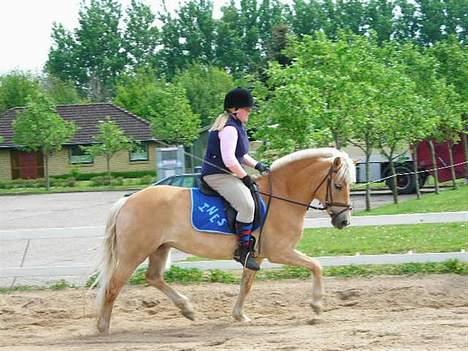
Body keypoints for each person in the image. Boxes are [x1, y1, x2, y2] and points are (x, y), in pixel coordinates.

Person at [201, 87, 269, 271]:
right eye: (248, 109)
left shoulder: (236, 126)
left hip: (227, 173)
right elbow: (230, 159)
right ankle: (243, 250)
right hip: (218, 175)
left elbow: (241, 155)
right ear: (235, 109)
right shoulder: (229, 128)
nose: (250, 112)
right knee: (247, 205)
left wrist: (257, 166)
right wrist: (245, 177)